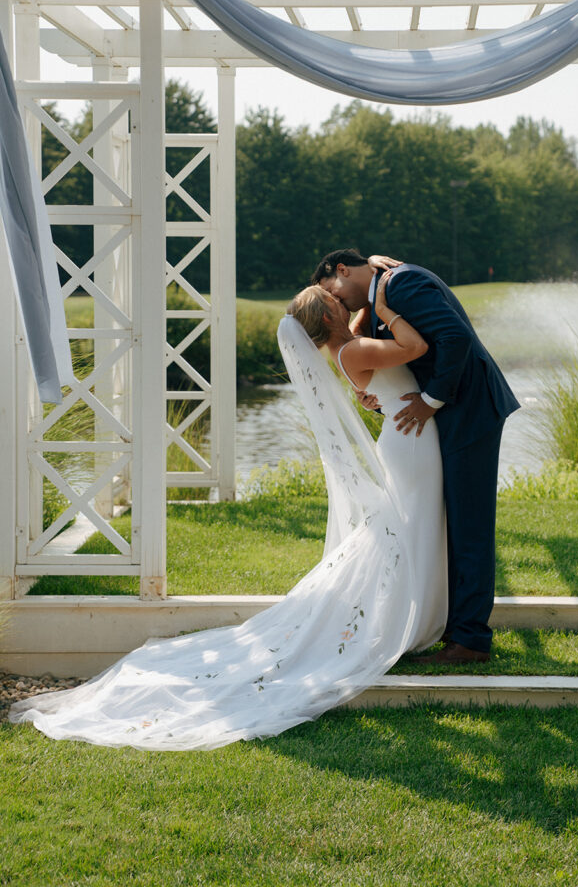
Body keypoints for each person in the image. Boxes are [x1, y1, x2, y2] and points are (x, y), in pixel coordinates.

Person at [9, 281, 446, 751]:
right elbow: (415, 346)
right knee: (407, 527)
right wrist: (381, 303)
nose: (348, 304)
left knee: (405, 528)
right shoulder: (355, 348)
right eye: (339, 302)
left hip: (407, 436)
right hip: (411, 440)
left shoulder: (348, 348)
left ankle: (411, 613)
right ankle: (410, 616)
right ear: (329, 317)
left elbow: (367, 345)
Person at [313, 248, 520, 666]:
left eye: (331, 292)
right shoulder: (382, 291)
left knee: (469, 525)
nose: (334, 302)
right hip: (447, 416)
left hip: (470, 410)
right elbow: (369, 347)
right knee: (450, 522)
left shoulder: (401, 283)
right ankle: (450, 624)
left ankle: (471, 639)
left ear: (340, 270)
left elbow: (456, 338)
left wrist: (430, 400)